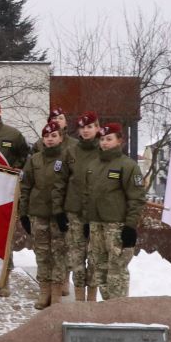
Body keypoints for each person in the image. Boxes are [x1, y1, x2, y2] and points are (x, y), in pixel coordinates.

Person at [84, 121, 144, 300]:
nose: (104, 143)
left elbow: (137, 198)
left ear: (120, 141)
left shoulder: (128, 166)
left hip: (116, 226)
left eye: (109, 139)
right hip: (97, 226)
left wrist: (130, 227)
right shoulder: (93, 166)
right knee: (100, 269)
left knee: (116, 271)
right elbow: (88, 196)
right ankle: (107, 311)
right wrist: (87, 222)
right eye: (102, 139)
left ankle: (119, 314)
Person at [18, 121, 71, 309]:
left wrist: (68, 213)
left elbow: (73, 187)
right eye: (46, 136)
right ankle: (44, 292)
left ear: (61, 137)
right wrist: (23, 213)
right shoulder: (34, 160)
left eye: (54, 136)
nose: (50, 139)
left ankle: (56, 295)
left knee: (59, 254)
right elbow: (25, 186)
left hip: (59, 215)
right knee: (42, 254)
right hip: (38, 213)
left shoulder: (68, 158)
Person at [63, 112, 102, 300]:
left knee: (94, 256)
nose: (86, 131)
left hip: (97, 213)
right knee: (77, 256)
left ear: (98, 128)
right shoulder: (71, 150)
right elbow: (62, 180)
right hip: (75, 210)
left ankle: (92, 299)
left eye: (90, 127)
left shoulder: (103, 151)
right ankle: (79, 299)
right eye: (83, 127)